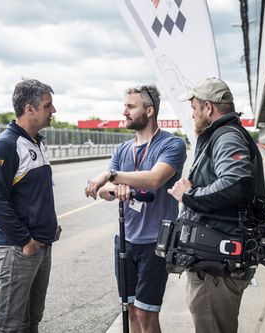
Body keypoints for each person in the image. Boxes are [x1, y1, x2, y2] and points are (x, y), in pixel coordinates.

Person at [85, 84, 187, 333]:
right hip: (126, 241)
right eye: (125, 107)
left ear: (150, 110)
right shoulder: (122, 149)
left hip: (156, 243)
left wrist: (113, 176)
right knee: (131, 309)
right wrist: (115, 188)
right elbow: (103, 191)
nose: (125, 112)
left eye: (131, 107)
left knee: (146, 312)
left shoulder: (172, 145)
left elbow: (154, 180)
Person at [168, 78, 265, 333]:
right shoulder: (224, 135)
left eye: (194, 107)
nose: (192, 113)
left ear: (208, 108)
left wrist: (190, 195)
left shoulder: (225, 136)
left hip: (216, 263)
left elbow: (236, 181)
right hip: (216, 259)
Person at [0, 78, 62, 333]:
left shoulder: (35, 141)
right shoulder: (6, 145)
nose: (53, 110)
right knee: (9, 324)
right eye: (48, 105)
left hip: (42, 243)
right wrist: (25, 241)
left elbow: (34, 194)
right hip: (20, 248)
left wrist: (49, 225)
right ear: (30, 109)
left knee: (31, 321)